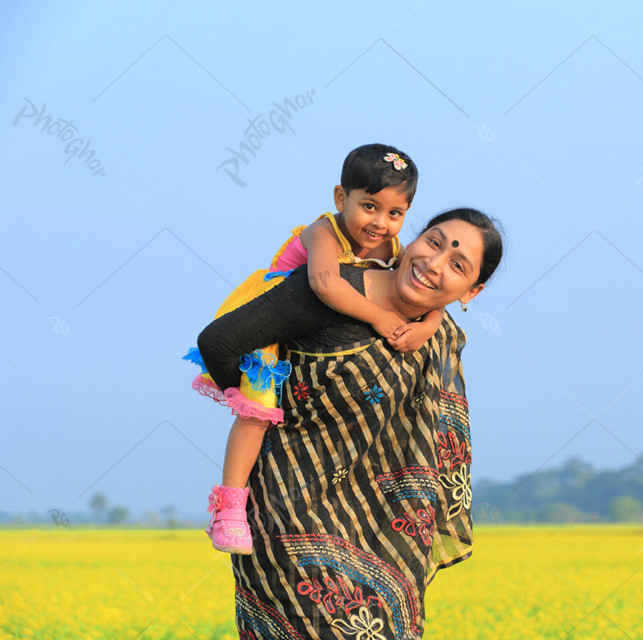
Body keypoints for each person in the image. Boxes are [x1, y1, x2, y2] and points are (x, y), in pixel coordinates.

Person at [195, 209, 503, 640]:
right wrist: (256, 400)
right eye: (434, 242)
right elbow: (218, 342)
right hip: (288, 524)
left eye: (457, 264)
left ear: (472, 290)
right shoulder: (325, 290)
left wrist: (430, 321)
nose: (434, 263)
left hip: (389, 536)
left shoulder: (439, 332)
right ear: (414, 240)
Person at [184, 143, 446, 554]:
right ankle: (229, 508)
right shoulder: (323, 230)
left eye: (394, 214)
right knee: (256, 411)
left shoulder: (390, 250)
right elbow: (324, 283)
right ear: (341, 198)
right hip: (273, 321)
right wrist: (378, 318)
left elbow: (421, 296)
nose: (380, 223)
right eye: (369, 206)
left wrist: (429, 326)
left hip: (314, 340)